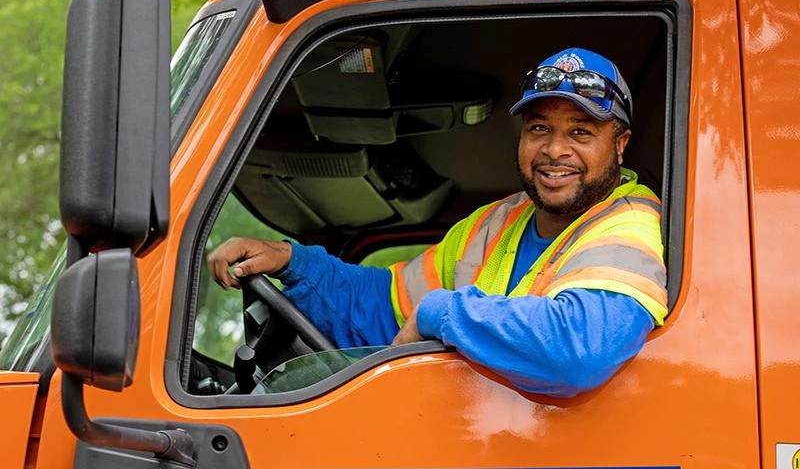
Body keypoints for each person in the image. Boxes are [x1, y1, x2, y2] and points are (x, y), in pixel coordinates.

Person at [208, 47, 668, 397]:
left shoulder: (629, 224)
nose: (554, 150)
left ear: (621, 144)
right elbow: (386, 306)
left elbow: (579, 348)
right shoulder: (498, 220)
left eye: (581, 132)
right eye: (539, 128)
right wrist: (294, 262)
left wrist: (443, 313)